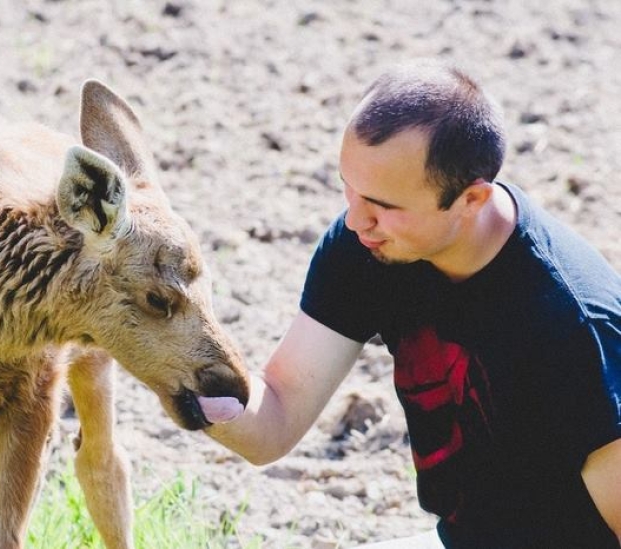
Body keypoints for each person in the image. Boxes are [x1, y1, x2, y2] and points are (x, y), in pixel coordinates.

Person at [205, 59, 621, 548]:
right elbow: (273, 420)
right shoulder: (366, 248)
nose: (357, 220)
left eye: (384, 205)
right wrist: (181, 374)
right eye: (349, 187)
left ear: (471, 200)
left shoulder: (575, 328)